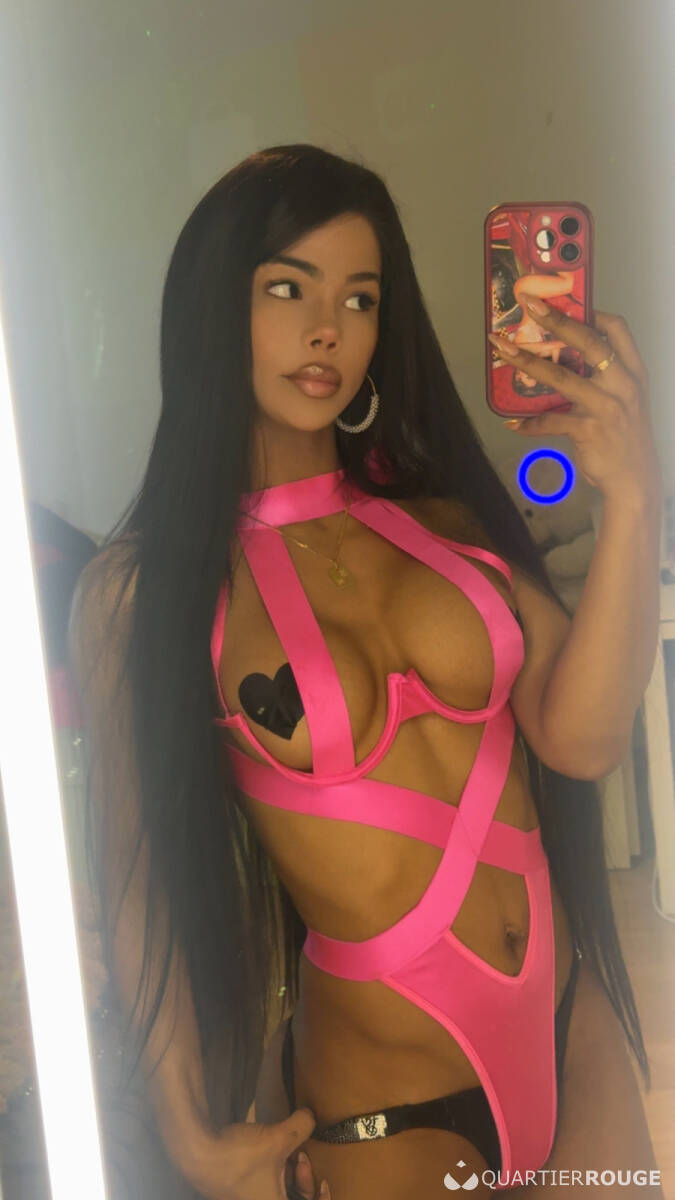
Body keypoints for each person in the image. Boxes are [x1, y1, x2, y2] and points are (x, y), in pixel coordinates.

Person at [68, 145, 659, 1200]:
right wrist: (187, 1129)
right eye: (287, 288)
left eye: (359, 297)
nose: (327, 329)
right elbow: (135, 877)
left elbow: (582, 738)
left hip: (570, 1035)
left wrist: (634, 500)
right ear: (215, 309)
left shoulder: (446, 523)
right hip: (382, 1108)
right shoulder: (143, 591)